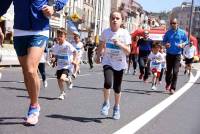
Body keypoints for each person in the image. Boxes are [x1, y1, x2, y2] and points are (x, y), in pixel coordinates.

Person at [0, 0, 67, 125]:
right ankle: (34, 103)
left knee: (31, 69)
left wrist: (55, 7)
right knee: (26, 72)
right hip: (20, 31)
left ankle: (34, 106)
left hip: (39, 30)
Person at [96, 10, 131, 120]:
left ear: (121, 21)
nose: (114, 20)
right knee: (107, 82)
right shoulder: (105, 32)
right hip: (108, 61)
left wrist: (119, 44)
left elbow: (128, 51)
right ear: (110, 20)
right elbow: (101, 45)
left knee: (117, 87)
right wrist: (97, 56)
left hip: (120, 63)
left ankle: (116, 107)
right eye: (113, 18)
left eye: (117, 18)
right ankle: (106, 103)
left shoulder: (125, 33)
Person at [163, 18, 188, 94]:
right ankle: (168, 83)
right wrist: (166, 44)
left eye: (174, 23)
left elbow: (186, 40)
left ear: (177, 24)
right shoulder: (168, 33)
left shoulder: (182, 32)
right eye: (171, 23)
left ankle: (173, 88)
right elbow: (163, 41)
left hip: (177, 55)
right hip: (169, 54)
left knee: (175, 72)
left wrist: (183, 44)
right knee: (168, 72)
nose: (173, 24)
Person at [51, 28, 78, 100]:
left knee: (62, 78)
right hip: (59, 65)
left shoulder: (68, 45)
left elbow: (75, 52)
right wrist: (54, 59)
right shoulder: (55, 46)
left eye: (61, 36)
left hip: (67, 66)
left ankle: (69, 80)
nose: (59, 37)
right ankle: (62, 93)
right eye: (58, 36)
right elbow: (55, 56)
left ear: (65, 37)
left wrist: (74, 60)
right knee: (59, 81)